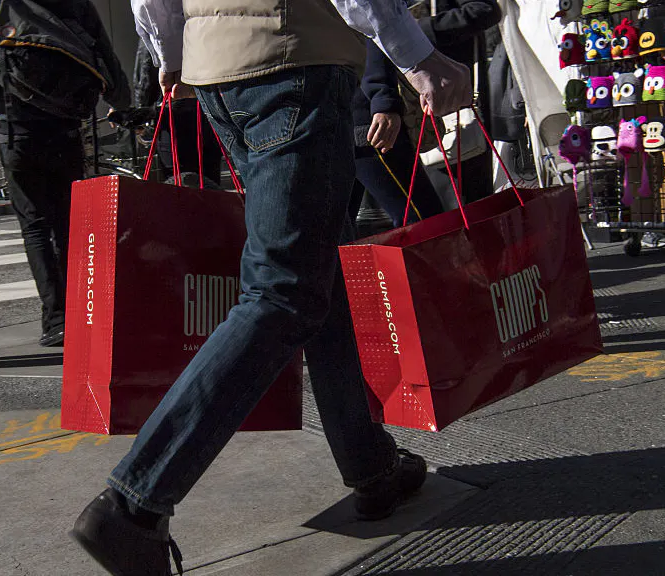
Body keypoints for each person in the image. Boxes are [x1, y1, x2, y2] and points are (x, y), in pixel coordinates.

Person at [67, 0, 471, 573]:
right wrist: (418, 54)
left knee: (314, 272)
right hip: (295, 57)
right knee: (283, 293)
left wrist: (174, 50)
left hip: (219, 71)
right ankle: (132, 504)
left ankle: (371, 464)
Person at [0, 0, 130, 348]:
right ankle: (80, 314)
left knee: (35, 226)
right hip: (65, 127)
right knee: (68, 223)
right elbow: (101, 49)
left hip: (16, 130)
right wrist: (123, 101)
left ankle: (55, 319)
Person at [350, 39, 444, 230]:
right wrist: (383, 98)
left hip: (331, 113)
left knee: (337, 231)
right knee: (424, 222)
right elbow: (371, 29)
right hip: (366, 118)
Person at [415, 0, 502, 206]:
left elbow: (486, 10)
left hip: (457, 105)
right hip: (418, 109)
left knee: (466, 203)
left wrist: (422, 29)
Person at [133, 40, 223, 188]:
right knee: (210, 182)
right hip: (208, 106)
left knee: (177, 184)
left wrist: (141, 109)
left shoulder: (159, 19)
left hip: (173, 112)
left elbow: (146, 69)